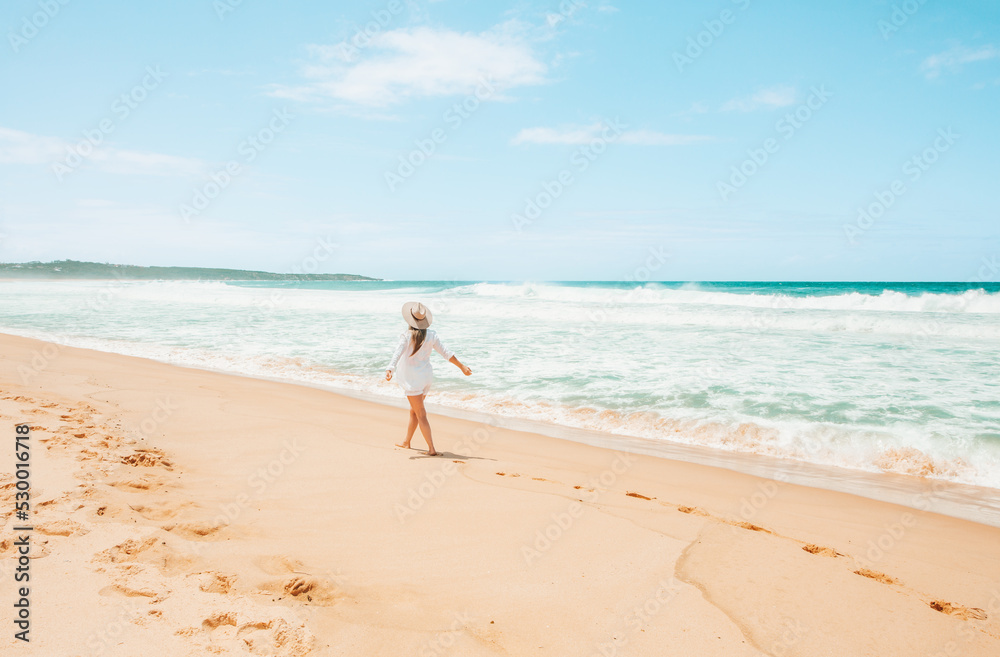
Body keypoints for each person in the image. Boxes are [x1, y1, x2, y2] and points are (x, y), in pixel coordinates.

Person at [385, 302, 471, 456]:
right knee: (414, 411)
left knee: (420, 413)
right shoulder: (431, 335)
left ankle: (431, 449)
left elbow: (397, 354)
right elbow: (446, 353)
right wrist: (462, 366)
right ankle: (406, 442)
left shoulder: (407, 336)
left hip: (413, 380)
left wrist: (390, 368)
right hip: (425, 378)